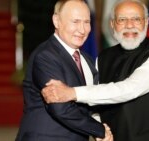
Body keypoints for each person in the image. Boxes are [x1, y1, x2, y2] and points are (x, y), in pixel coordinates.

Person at [42, 0, 149, 141]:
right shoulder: (102, 58)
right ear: (112, 24)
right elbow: (94, 103)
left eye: (136, 19)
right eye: (122, 20)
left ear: (146, 22)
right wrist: (99, 128)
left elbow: (130, 89)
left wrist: (71, 93)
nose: (129, 25)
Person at [15, 0, 113, 141]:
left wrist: (98, 122)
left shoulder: (87, 60)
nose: (82, 29)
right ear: (56, 21)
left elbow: (91, 103)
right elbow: (60, 108)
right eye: (75, 21)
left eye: (86, 22)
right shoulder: (45, 56)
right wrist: (99, 130)